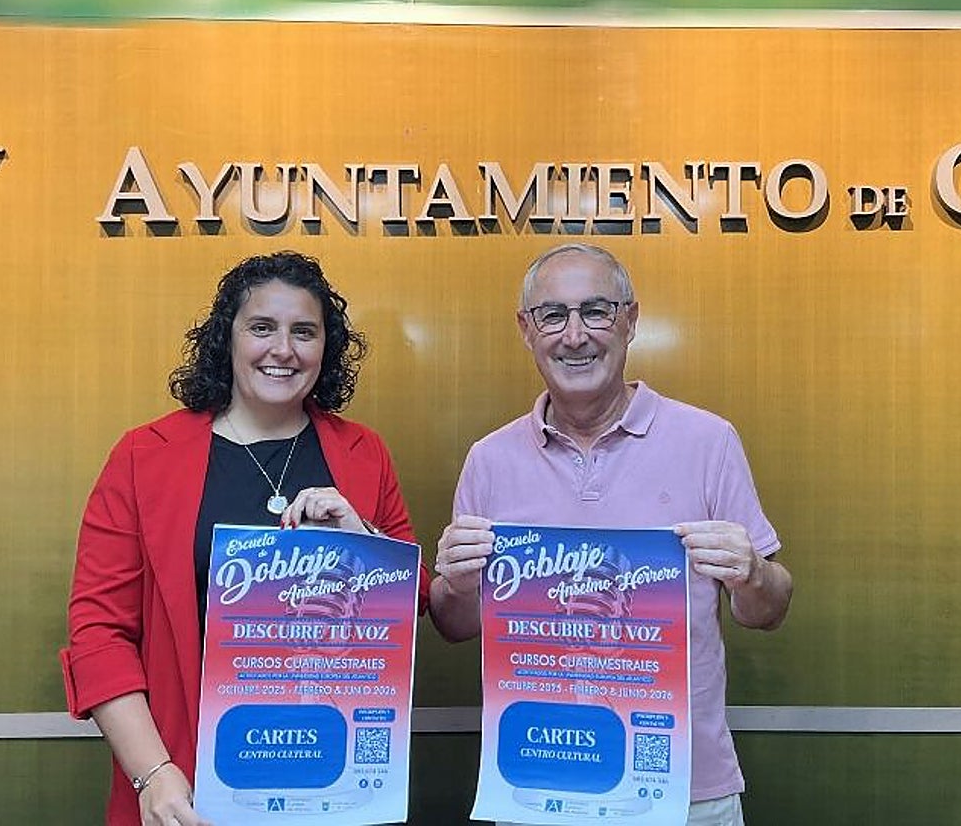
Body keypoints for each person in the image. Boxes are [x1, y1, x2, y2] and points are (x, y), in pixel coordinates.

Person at [428, 243, 792, 826]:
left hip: (685, 790)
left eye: (596, 310)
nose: (575, 335)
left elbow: (768, 610)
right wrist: (458, 582)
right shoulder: (489, 460)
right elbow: (454, 624)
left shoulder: (708, 441)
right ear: (527, 330)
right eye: (553, 315)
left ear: (630, 319)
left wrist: (753, 573)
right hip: (536, 780)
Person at [61, 251, 430, 826]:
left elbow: (412, 609)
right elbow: (98, 634)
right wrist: (153, 774)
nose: (283, 349)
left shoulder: (364, 454)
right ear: (226, 339)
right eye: (262, 327)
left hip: (333, 776)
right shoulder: (143, 456)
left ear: (325, 349)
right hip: (185, 789)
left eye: (303, 332)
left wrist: (364, 538)